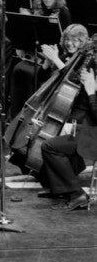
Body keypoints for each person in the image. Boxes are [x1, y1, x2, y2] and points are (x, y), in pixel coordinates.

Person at [40, 53, 97, 210]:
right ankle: (61, 190)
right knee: (59, 138)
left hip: (93, 135)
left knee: (49, 146)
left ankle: (75, 193)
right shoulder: (94, 72)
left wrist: (92, 91)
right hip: (88, 129)